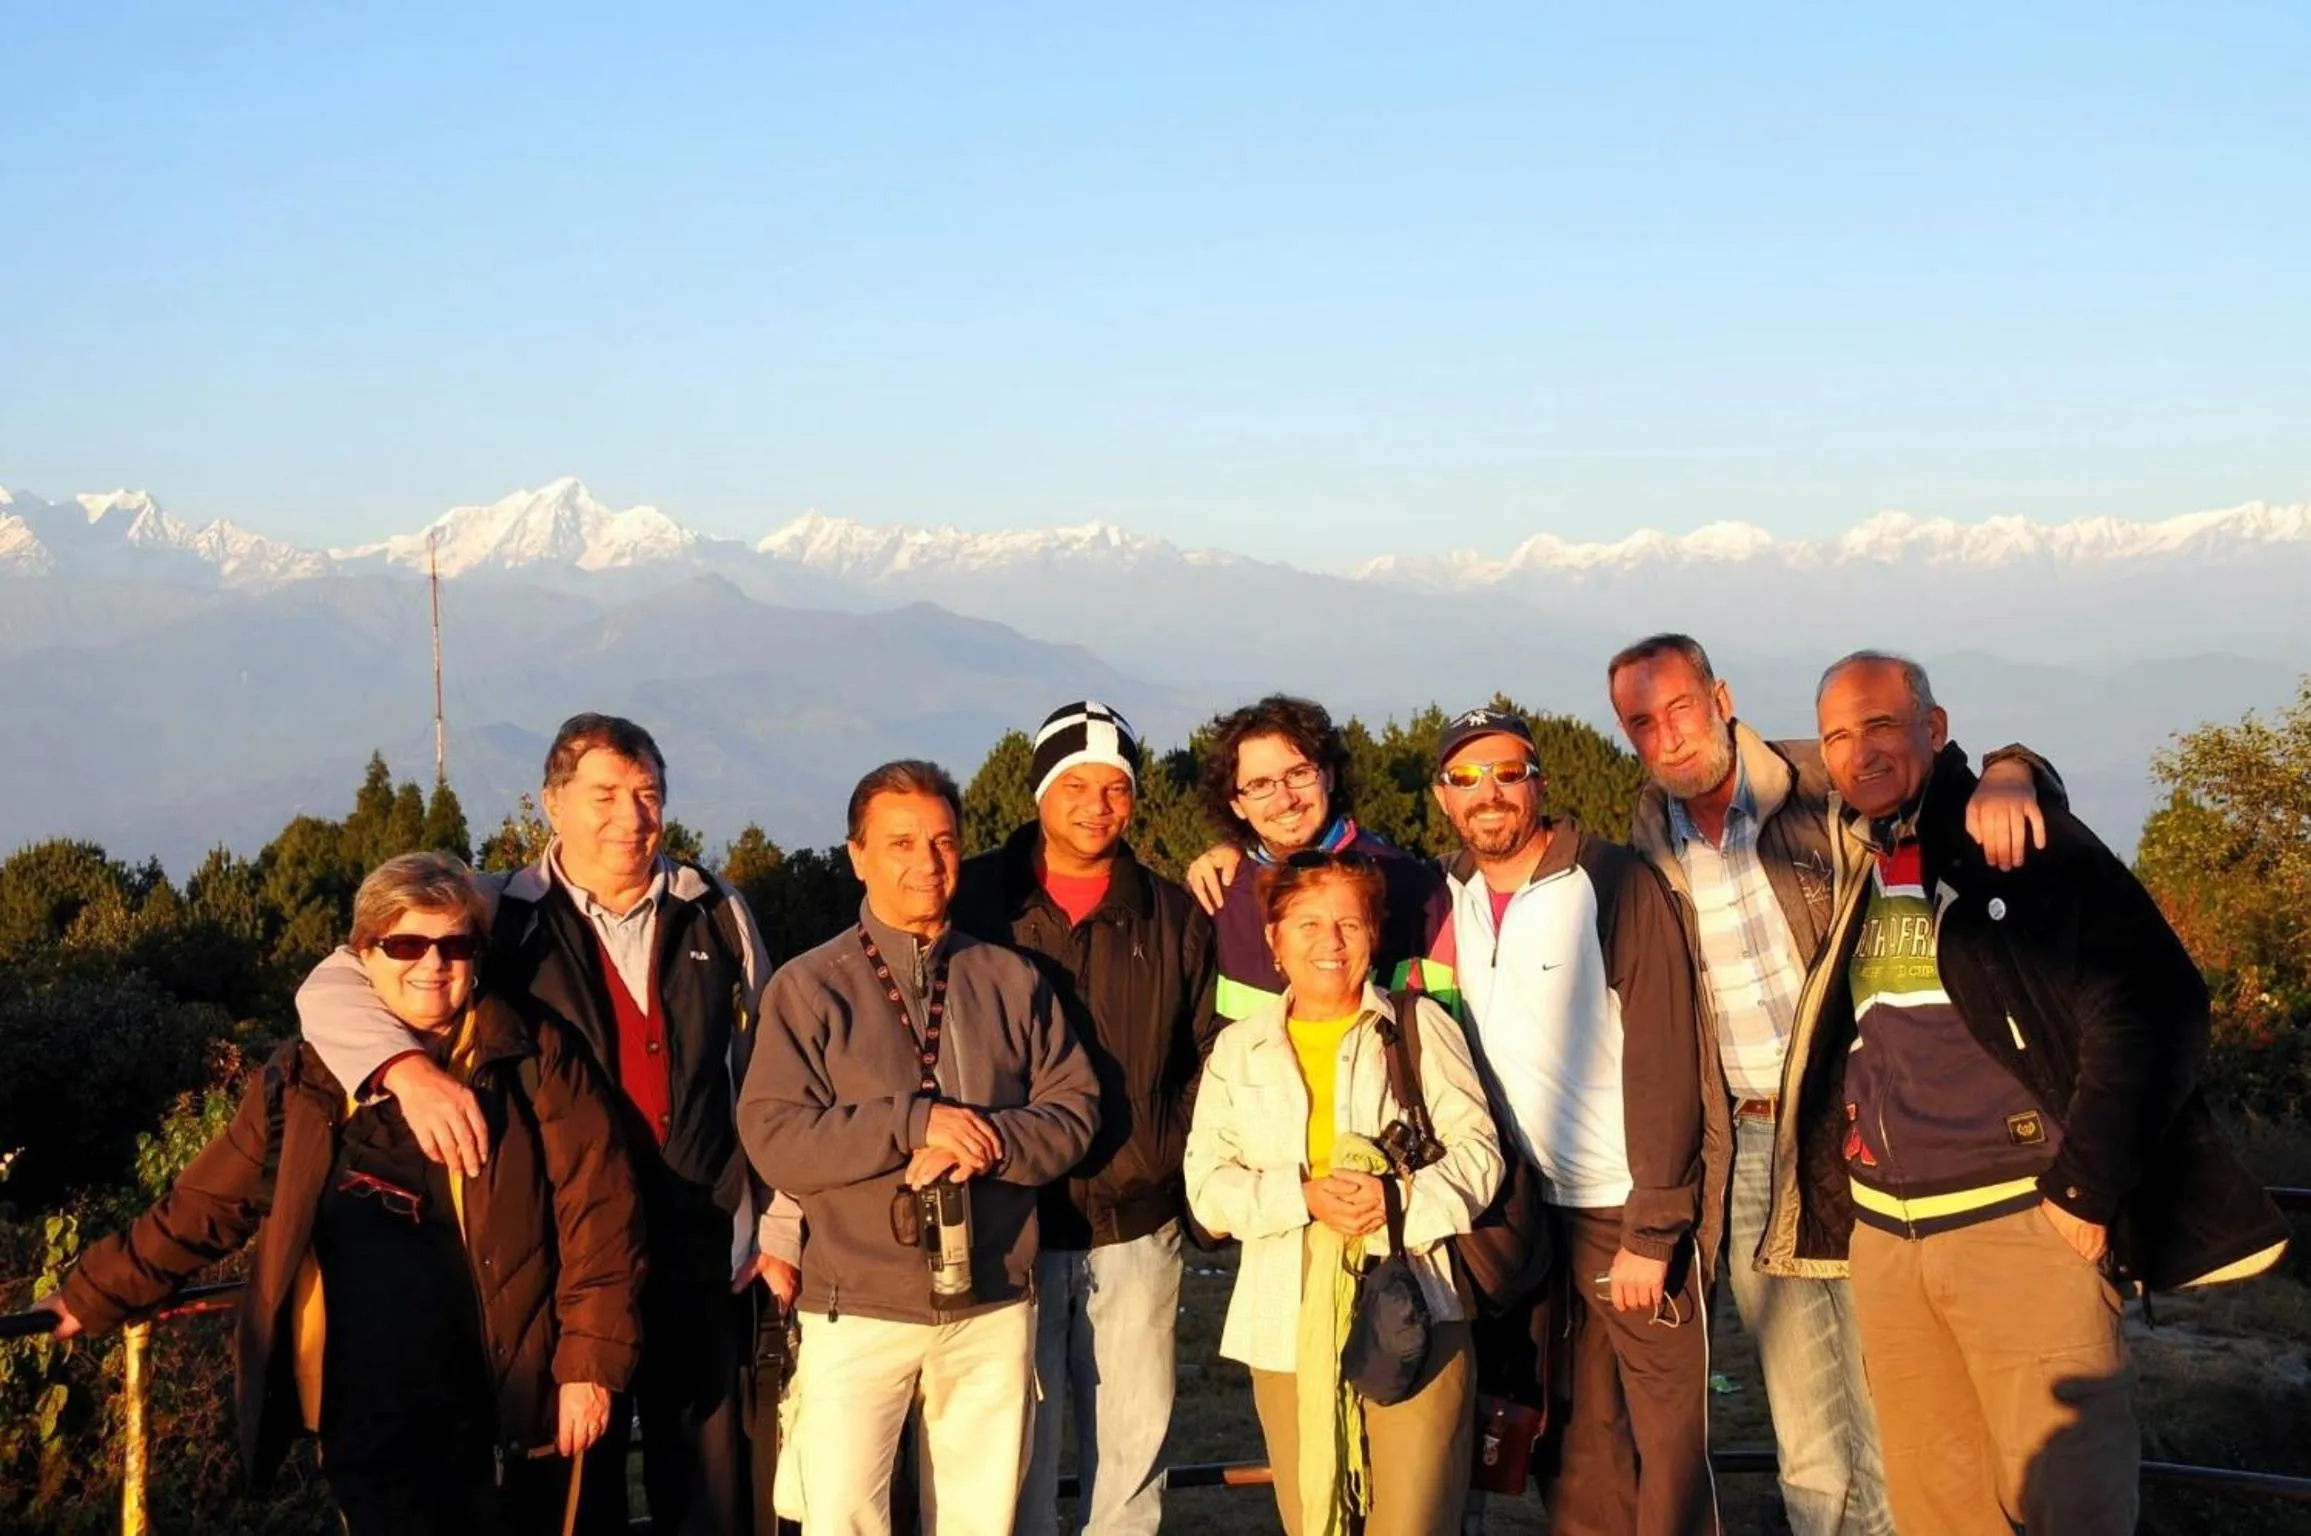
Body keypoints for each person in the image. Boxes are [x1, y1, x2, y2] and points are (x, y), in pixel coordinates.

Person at [1778, 651, 2292, 1534]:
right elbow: (1714, 761)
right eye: (1835, 736)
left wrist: (2085, 1190)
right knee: (1941, 1512)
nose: (1857, 753)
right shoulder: (1861, 851)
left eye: (1880, 727)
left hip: (2016, 1227)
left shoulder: (2009, 842)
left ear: (1933, 732)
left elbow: (2156, 1005)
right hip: (1893, 1244)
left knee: (2067, 1507)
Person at [38, 853, 643, 1535]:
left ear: (478, 955)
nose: (432, 964)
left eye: (455, 944)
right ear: (364, 954)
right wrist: (93, 1292)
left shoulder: (533, 1059)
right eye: (406, 944)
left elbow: (600, 1215)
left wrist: (588, 1367)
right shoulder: (305, 1082)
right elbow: (206, 1207)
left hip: (500, 1404)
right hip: (364, 1408)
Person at [1606, 633, 2061, 1536]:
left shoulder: (1820, 782)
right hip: (1740, 1150)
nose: (1665, 738)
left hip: (1854, 1133)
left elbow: (1948, 776)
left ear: (1722, 696)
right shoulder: (1648, 832)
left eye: (1680, 709)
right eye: (1639, 723)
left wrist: (2018, 770)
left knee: (1900, 1400)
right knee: (1803, 1427)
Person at [298, 714, 792, 1535]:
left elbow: (777, 1069)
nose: (630, 817)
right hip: (566, 1271)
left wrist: (780, 1221)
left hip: (705, 1253)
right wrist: (405, 1070)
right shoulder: (499, 912)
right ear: (550, 806)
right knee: (570, 1500)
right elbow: (333, 983)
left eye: (647, 795)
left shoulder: (716, 910)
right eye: (603, 794)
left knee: (711, 1501)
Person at [739, 759, 1102, 1536]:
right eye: (899, 842)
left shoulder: (1011, 978)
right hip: (854, 1304)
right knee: (844, 1519)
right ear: (857, 855)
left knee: (980, 1519)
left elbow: (1074, 1110)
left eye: (941, 841)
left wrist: (994, 1140)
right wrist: (911, 1122)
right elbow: (776, 1137)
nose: (925, 862)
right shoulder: (809, 988)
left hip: (993, 1297)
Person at [1424, 707, 1716, 1536]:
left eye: (1508, 773)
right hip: (1520, 1213)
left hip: (1621, 1206)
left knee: (1667, 1442)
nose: (1489, 793)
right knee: (1573, 1438)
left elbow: (1665, 1057)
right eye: (1466, 778)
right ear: (1442, 798)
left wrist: (1654, 1228)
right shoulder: (1443, 893)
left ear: (1539, 785)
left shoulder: (1612, 882)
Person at [947, 702, 1220, 1536]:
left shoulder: (1171, 915)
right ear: (1038, 791)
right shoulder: (975, 903)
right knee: (1010, 1454)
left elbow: (1207, 1051)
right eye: (1075, 783)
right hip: (1008, 1217)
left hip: (1133, 1220)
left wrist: (1162, 1154)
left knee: (1132, 1454)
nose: (1096, 804)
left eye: (1116, 787)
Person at [1184, 849, 1503, 1536]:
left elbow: (1478, 1156)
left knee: (1414, 1519)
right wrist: (1302, 1198)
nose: (1329, 943)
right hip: (1284, 1314)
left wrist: (1393, 1208)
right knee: (1314, 1517)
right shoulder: (1239, 1050)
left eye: (1348, 925)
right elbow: (1207, 1189)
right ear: (1273, 940)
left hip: (1413, 1297)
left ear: (1373, 936)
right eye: (1307, 924)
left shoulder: (1415, 1027)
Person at [1193, 695, 1453, 1020]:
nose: (1285, 799)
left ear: (1328, 776)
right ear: (1235, 804)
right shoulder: (1215, 898)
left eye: (1299, 774)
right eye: (1259, 785)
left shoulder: (1413, 890)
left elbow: (1446, 1027)